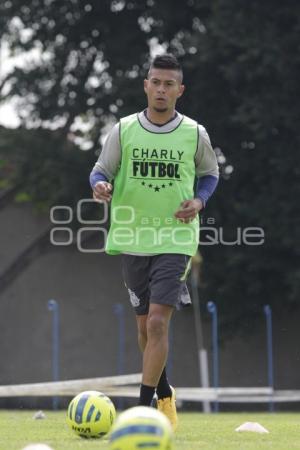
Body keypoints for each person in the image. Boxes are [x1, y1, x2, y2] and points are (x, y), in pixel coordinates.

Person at [89, 53, 219, 430]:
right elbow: (100, 169)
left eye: (169, 84)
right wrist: (99, 185)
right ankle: (164, 393)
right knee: (145, 328)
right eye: (155, 82)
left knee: (160, 323)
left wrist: (199, 200)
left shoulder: (195, 133)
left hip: (176, 238)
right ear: (146, 85)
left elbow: (210, 175)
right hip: (131, 236)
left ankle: (141, 412)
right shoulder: (125, 129)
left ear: (180, 90)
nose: (162, 90)